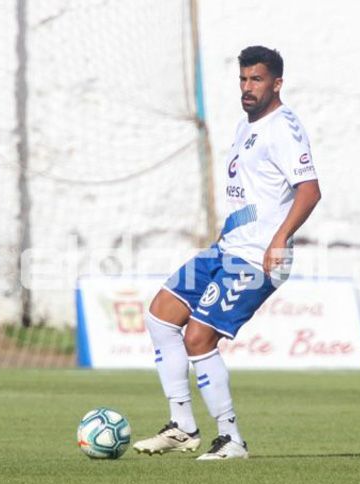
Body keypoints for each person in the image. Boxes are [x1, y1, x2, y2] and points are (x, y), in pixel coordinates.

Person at [132, 46, 321, 460]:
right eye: (243, 79)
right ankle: (182, 425)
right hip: (226, 249)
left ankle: (231, 439)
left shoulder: (283, 128)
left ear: (276, 83)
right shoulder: (244, 125)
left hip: (258, 258)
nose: (247, 87)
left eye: (256, 79)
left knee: (199, 337)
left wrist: (280, 238)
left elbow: (310, 191)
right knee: (161, 314)